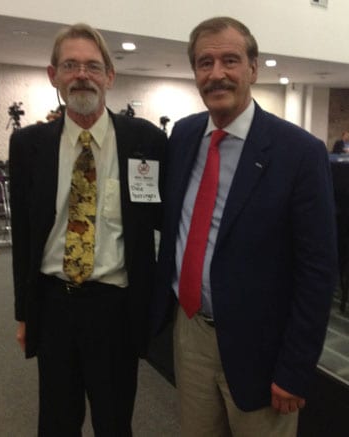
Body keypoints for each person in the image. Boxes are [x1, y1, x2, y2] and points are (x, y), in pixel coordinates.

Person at [152, 16, 337, 437]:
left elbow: (317, 270)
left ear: (253, 68)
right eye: (205, 62)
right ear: (195, 72)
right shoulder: (182, 137)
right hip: (191, 331)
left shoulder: (299, 153)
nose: (217, 73)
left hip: (263, 345)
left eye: (230, 60)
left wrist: (295, 367)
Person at [9, 23, 166, 436]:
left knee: (115, 422)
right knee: (57, 423)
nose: (82, 75)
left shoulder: (145, 141)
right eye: (71, 65)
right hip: (53, 304)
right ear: (54, 75)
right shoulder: (29, 145)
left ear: (110, 76)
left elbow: (165, 221)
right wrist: (23, 314)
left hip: (115, 308)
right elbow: (24, 238)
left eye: (93, 66)